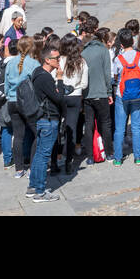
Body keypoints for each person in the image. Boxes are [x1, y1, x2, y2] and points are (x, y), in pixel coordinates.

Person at [27, 44, 69, 202]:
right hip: (48, 119)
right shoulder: (45, 77)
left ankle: (33, 186)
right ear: (47, 60)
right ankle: (40, 191)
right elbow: (59, 98)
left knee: (39, 155)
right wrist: (59, 80)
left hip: (42, 118)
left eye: (59, 57)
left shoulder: (38, 72)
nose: (59, 60)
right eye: (56, 58)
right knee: (44, 156)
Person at [51, 33, 87, 175]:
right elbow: (84, 84)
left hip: (60, 95)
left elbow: (53, 78)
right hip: (75, 97)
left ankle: (54, 162)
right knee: (71, 129)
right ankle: (68, 163)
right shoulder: (81, 62)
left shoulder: (58, 61)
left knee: (56, 128)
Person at [4, 34, 40, 178]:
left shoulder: (10, 63)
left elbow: (6, 85)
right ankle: (32, 165)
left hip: (12, 101)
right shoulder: (34, 64)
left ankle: (19, 169)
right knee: (38, 133)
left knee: (18, 136)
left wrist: (9, 96)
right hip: (27, 102)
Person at [110, 29, 140, 166]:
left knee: (120, 128)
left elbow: (115, 77)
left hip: (122, 96)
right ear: (133, 41)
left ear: (121, 45)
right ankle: (138, 157)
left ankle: (118, 158)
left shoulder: (118, 59)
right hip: (137, 95)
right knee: (136, 127)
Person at [81, 20, 113, 164]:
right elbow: (107, 74)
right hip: (101, 93)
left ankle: (90, 156)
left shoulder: (83, 52)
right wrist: (109, 92)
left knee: (89, 125)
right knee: (105, 123)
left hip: (87, 94)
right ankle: (109, 152)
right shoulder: (103, 51)